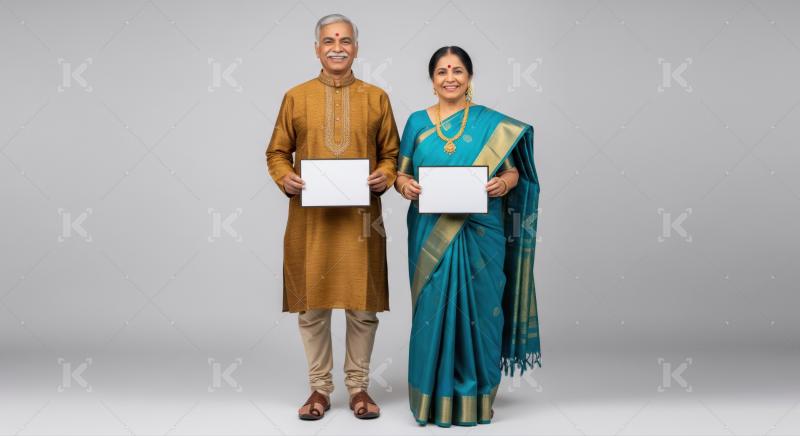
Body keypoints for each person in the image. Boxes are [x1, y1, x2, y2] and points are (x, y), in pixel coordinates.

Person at [395, 46, 542, 427]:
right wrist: (405, 186)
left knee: (482, 310)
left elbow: (513, 174)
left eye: (457, 70)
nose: (450, 77)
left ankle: (476, 398)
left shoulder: (491, 125)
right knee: (432, 312)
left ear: (469, 77)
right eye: (442, 71)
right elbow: (400, 174)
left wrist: (500, 184)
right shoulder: (415, 122)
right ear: (432, 80)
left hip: (482, 231)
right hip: (431, 232)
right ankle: (432, 400)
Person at [265, 13, 399, 420]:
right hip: (313, 220)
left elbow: (392, 153)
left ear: (356, 47)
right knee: (313, 308)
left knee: (362, 308)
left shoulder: (376, 97)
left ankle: (359, 387)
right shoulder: (296, 96)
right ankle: (319, 389)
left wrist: (387, 175)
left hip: (362, 220)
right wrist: (284, 177)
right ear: (317, 48)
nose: (337, 46)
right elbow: (276, 152)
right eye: (328, 40)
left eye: (344, 40)